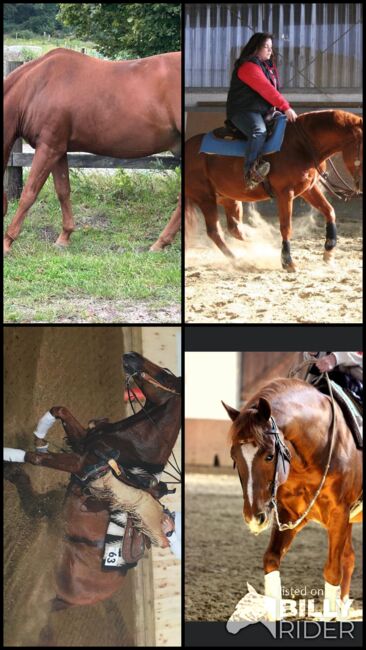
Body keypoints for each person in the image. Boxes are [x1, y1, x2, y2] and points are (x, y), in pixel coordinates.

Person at [226, 32, 297, 189]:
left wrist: (281, 108)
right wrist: (285, 107)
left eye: (271, 47)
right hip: (243, 110)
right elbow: (266, 90)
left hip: (260, 110)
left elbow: (273, 92)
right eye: (266, 47)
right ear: (255, 47)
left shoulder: (266, 67)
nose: (270, 51)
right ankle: (250, 172)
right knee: (258, 130)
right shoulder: (248, 67)